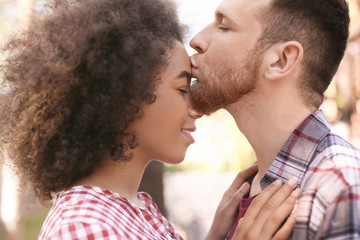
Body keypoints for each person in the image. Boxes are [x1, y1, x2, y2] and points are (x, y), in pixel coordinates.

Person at [0, 0, 300, 239]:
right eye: (182, 88)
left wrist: (215, 235)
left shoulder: (137, 208)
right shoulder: (84, 227)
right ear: (124, 99)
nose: (194, 107)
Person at [189, 0, 360, 239]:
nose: (196, 39)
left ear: (281, 60)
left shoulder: (341, 189)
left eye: (224, 26)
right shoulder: (245, 190)